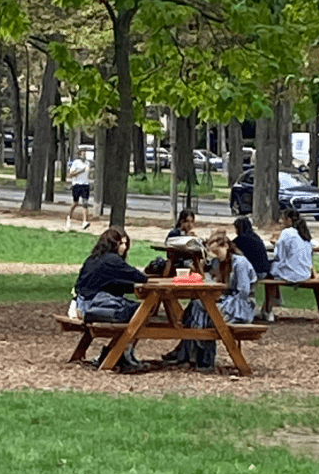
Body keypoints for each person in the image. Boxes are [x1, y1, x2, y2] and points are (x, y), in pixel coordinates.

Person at [162, 229, 257, 371]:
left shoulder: (240, 263)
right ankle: (196, 356)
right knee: (197, 306)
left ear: (225, 246)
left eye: (217, 252)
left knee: (204, 311)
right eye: (213, 253)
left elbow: (243, 292)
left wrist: (221, 299)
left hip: (239, 307)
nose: (216, 256)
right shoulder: (218, 263)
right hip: (224, 302)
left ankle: (195, 356)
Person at [74, 228, 148, 372]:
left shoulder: (93, 258)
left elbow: (107, 283)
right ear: (113, 244)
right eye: (121, 244)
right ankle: (122, 353)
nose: (124, 247)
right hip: (95, 306)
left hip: (82, 304)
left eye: (126, 244)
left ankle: (118, 352)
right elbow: (139, 277)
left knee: (135, 312)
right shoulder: (112, 260)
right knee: (142, 312)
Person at [270, 207, 315, 283]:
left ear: (289, 220)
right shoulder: (304, 233)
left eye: (283, 219)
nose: (281, 221)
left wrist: (276, 245)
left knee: (267, 268)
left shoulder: (287, 232)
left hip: (292, 274)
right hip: (306, 274)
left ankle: (272, 294)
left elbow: (278, 256)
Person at [66, 146, 91, 231]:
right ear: (79, 153)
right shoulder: (76, 162)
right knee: (75, 203)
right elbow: (71, 174)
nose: (84, 154)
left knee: (85, 203)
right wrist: (80, 171)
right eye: (82, 152)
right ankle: (69, 217)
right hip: (77, 184)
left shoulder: (87, 163)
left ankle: (84, 222)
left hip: (85, 185)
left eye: (85, 152)